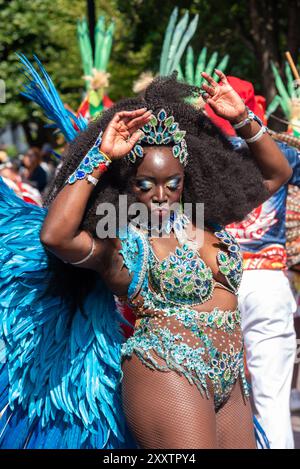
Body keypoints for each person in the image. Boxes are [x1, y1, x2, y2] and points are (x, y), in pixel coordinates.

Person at [35, 70, 291, 448]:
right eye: (146, 185)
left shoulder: (205, 218)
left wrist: (241, 118)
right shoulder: (121, 242)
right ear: (126, 184)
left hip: (230, 373)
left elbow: (277, 173)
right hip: (167, 369)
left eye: (173, 183)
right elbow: (56, 236)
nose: (161, 195)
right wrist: (101, 156)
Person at [204, 75, 299, 449]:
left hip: (214, 283)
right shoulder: (282, 154)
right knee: (272, 399)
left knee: (214, 397)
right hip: (267, 281)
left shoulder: (200, 155)